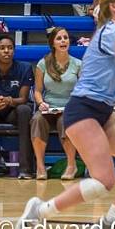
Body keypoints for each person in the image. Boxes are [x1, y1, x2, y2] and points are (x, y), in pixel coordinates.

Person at [15, 0, 115, 229]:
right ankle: (39, 210)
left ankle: (111, 221)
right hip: (83, 110)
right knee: (104, 180)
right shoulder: (112, 32)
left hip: (104, 111)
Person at [29, 27, 83, 180]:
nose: (63, 41)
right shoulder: (42, 64)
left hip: (69, 108)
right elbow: (38, 91)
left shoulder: (78, 64)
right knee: (37, 120)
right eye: (59, 38)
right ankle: (40, 166)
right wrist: (40, 103)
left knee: (66, 121)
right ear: (52, 43)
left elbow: (82, 90)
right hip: (49, 107)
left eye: (65, 38)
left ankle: (71, 165)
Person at [0, 34, 35, 179]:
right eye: (2, 48)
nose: (6, 51)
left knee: (25, 110)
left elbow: (23, 99)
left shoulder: (24, 68)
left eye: (10, 48)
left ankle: (25, 169)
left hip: (13, 110)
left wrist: (8, 101)